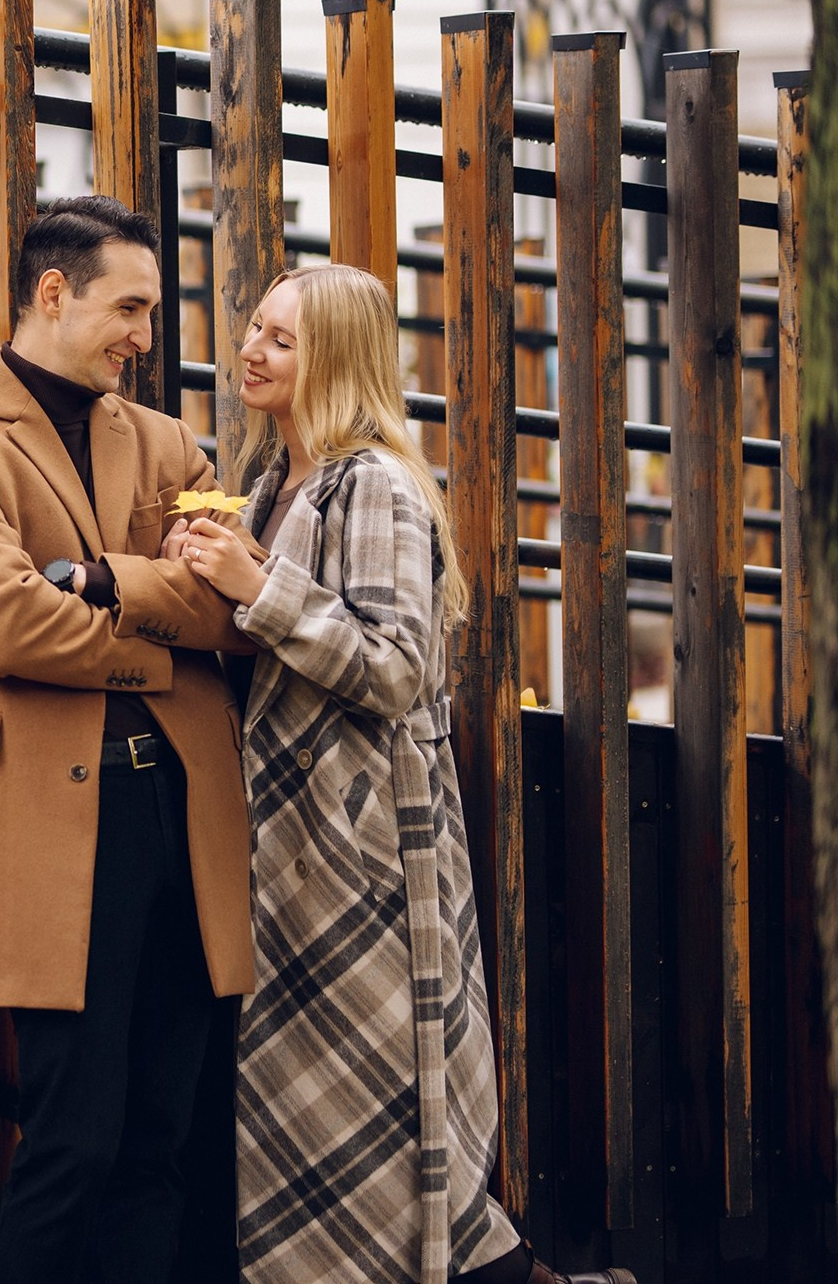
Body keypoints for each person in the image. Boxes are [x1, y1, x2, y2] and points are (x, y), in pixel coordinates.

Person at [174, 265, 634, 1284]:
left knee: (387, 1100)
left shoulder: (371, 481)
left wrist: (256, 584)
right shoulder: (270, 480)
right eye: (255, 326)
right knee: (303, 1107)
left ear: (335, 358)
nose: (252, 349)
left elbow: (395, 666)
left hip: (364, 857)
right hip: (283, 852)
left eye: (283, 340)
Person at [0, 195, 255, 1282]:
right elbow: (0, 620)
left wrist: (101, 583)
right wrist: (154, 628)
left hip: (183, 819)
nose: (146, 334)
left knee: (162, 1140)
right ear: (56, 292)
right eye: (130, 306)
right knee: (74, 1138)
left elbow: (232, 610)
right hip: (46, 830)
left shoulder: (173, 441)